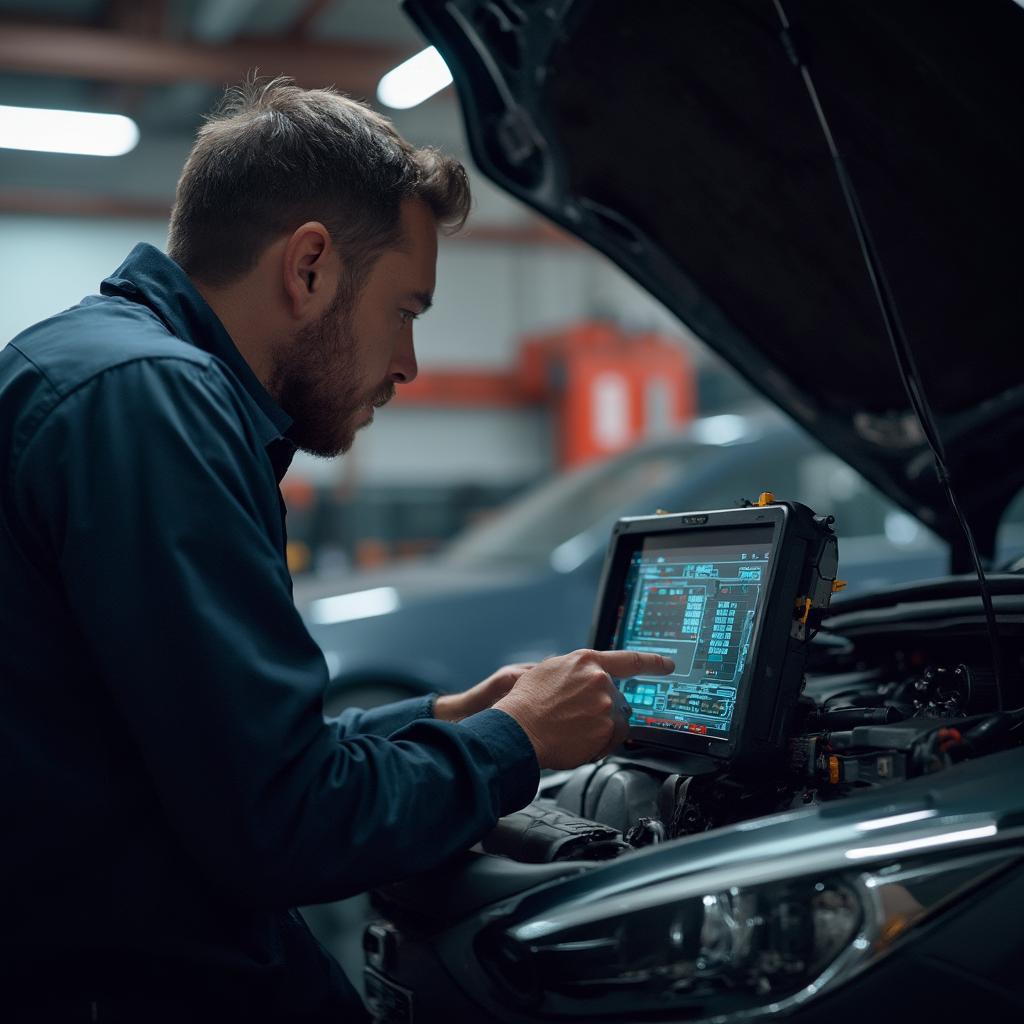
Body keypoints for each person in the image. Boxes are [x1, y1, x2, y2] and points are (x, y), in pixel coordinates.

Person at [0, 78, 673, 1021]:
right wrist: (513, 744)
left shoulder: (108, 370)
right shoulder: (153, 403)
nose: (407, 363)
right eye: (407, 309)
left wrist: (439, 718)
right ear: (310, 266)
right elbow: (279, 825)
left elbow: (212, 759)